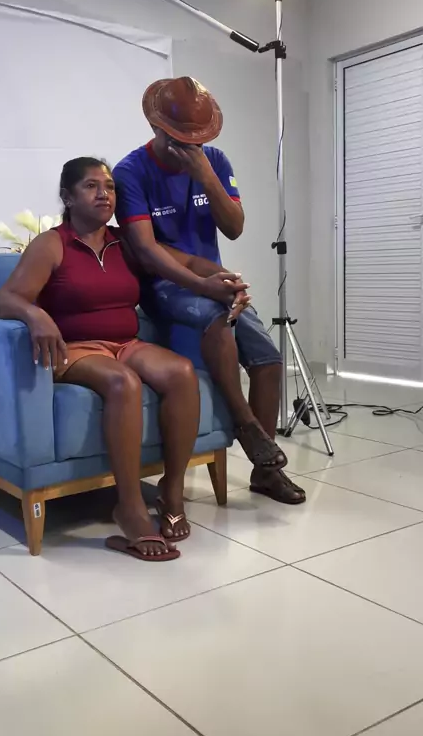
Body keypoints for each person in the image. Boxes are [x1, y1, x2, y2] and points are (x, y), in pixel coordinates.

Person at [0, 157, 220, 562]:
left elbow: (181, 262)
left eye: (110, 187)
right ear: (68, 197)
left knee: (181, 372)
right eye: (91, 186)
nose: (104, 194)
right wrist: (35, 314)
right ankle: (129, 507)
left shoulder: (125, 241)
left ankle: (171, 491)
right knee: (122, 382)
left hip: (125, 342)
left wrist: (219, 276)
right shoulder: (53, 244)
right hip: (75, 348)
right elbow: (6, 298)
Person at [113, 76, 306, 505]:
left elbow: (234, 228)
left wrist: (206, 176)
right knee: (217, 320)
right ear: (157, 128)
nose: (192, 145)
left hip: (212, 280)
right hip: (165, 286)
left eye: (199, 139)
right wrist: (203, 285)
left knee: (269, 359)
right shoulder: (130, 172)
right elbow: (146, 251)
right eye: (181, 138)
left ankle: (265, 473)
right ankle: (245, 422)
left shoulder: (213, 161)